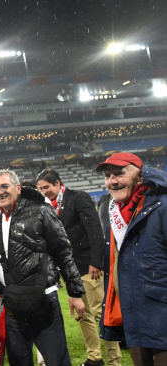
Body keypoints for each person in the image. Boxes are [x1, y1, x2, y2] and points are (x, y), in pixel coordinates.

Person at [0, 169, 86, 366]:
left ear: (18, 188)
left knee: (57, 361)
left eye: (5, 186)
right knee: (19, 361)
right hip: (9, 303)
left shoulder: (41, 211)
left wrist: (75, 292)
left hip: (43, 299)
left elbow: (63, 251)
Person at [37, 169, 121, 366]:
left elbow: (94, 229)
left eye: (46, 187)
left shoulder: (78, 197)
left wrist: (96, 262)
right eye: (40, 189)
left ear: (58, 183)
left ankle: (114, 361)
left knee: (101, 314)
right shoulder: (49, 206)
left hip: (89, 266)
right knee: (83, 315)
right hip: (70, 270)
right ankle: (94, 357)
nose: (44, 192)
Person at [96, 153, 167, 366]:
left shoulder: (162, 206)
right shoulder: (115, 212)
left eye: (119, 174)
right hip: (133, 315)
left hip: (161, 318)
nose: (112, 181)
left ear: (140, 176)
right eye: (108, 176)